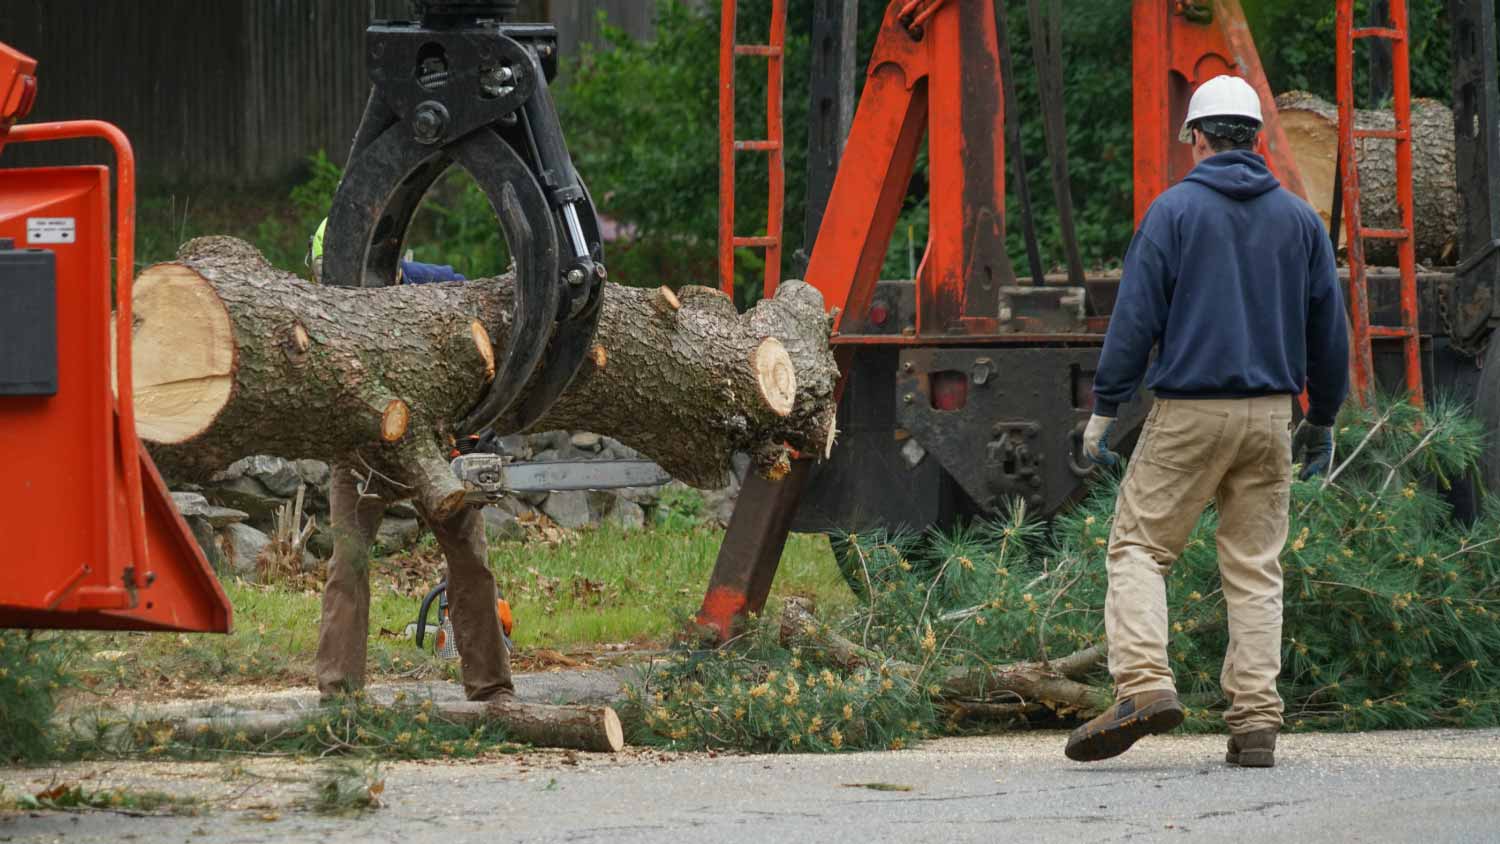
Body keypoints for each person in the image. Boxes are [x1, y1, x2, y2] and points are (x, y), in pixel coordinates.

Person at [1065, 75, 1349, 768]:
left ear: (1197, 138)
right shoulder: (1299, 221)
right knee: (1255, 568)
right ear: (1255, 139)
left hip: (1191, 410)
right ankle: (1255, 724)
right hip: (1270, 417)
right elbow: (1329, 329)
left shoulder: (1173, 213)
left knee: (1138, 548)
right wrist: (1325, 416)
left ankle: (1144, 685)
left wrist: (1105, 408)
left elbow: (1135, 320)